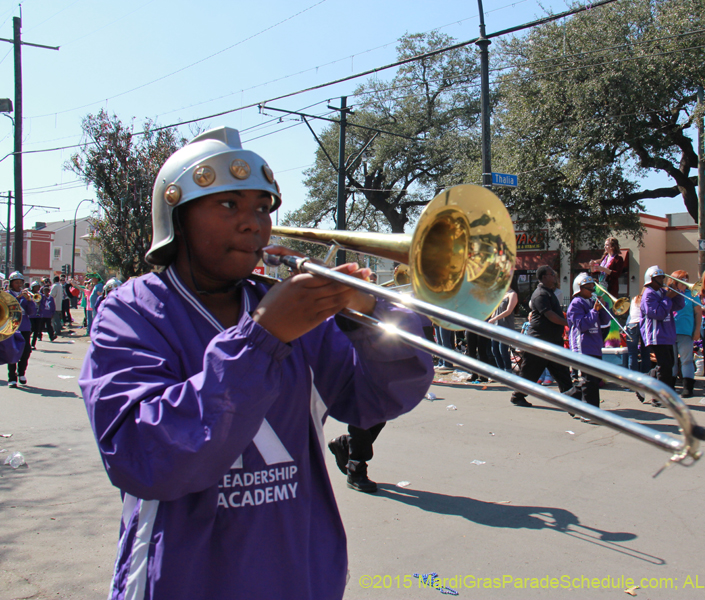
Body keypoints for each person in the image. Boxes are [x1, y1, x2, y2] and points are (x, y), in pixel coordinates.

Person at [78, 127, 433, 600]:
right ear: (178, 218)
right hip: (183, 579)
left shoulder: (286, 306)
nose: (254, 223)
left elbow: (375, 399)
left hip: (299, 574)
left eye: (263, 208)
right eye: (228, 205)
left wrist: (369, 315)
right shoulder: (132, 311)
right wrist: (262, 338)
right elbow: (144, 456)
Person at [510, 265, 572, 407]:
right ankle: (517, 396)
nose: (554, 276)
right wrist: (568, 322)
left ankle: (571, 399)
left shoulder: (550, 293)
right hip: (539, 341)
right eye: (552, 274)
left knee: (562, 371)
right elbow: (551, 316)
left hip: (553, 340)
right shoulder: (540, 294)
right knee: (530, 372)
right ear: (544, 277)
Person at [638, 266, 684, 405]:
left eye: (662, 277)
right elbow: (657, 313)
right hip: (655, 334)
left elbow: (678, 306)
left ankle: (646, 380)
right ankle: (658, 397)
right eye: (658, 278)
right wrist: (668, 298)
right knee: (665, 365)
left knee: (668, 365)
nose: (661, 280)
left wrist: (678, 292)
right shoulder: (649, 294)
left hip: (667, 333)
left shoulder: (662, 292)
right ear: (650, 280)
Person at [565, 273, 609, 410]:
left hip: (595, 344)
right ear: (579, 288)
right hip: (583, 346)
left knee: (593, 380)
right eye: (588, 287)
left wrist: (603, 309)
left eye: (592, 287)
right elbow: (582, 325)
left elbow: (605, 322)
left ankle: (569, 399)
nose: (592, 290)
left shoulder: (591, 302)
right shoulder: (576, 304)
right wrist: (594, 311)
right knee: (589, 380)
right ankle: (590, 411)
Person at [670, 270, 701, 398]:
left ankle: (688, 388)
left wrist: (697, 330)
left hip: (686, 331)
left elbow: (698, 313)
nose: (686, 282)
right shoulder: (670, 294)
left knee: (686, 360)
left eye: (686, 279)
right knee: (671, 361)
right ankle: (670, 387)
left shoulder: (692, 294)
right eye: (682, 279)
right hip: (670, 332)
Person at [6, 272, 36, 388]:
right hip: (11, 327)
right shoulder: (7, 295)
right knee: (12, 351)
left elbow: (31, 312)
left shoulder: (26, 295)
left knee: (26, 350)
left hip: (24, 327)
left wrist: (29, 301)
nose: (19, 285)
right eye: (16, 283)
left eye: (20, 283)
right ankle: (12, 378)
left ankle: (21, 372)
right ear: (11, 283)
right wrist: (18, 299)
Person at [488, 285, 518, 373]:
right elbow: (495, 309)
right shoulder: (501, 294)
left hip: (506, 326)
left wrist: (494, 318)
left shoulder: (513, 294)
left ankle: (508, 370)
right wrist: (492, 318)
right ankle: (501, 370)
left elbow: (508, 311)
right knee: (495, 350)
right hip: (496, 326)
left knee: (503, 350)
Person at [626, 292, 651, 373]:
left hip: (632, 324)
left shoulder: (634, 299)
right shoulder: (648, 298)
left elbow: (631, 314)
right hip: (643, 324)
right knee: (645, 353)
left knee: (632, 353)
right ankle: (645, 376)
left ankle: (633, 378)